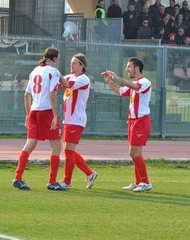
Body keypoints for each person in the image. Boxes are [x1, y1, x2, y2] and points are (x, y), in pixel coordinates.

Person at [12, 47, 67, 191]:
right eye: (58, 59)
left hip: (34, 111)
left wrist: (28, 113)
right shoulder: (53, 72)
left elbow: (26, 95)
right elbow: (53, 94)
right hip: (46, 111)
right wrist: (55, 114)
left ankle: (18, 177)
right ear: (54, 59)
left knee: (30, 144)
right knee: (56, 146)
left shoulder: (34, 71)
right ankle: (52, 181)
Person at [101, 57, 152, 192]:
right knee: (136, 153)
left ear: (137, 68)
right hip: (133, 121)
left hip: (140, 121)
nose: (126, 69)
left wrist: (117, 77)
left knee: (133, 152)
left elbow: (134, 87)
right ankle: (139, 181)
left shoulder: (144, 82)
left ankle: (146, 182)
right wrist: (109, 81)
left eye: (129, 66)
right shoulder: (134, 84)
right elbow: (120, 91)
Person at [57, 53, 98, 190]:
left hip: (76, 119)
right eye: (71, 62)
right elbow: (58, 84)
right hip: (68, 119)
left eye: (74, 63)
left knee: (68, 150)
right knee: (69, 151)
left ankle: (67, 182)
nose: (71, 65)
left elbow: (66, 84)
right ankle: (90, 174)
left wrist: (54, 71)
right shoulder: (69, 76)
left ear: (82, 65)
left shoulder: (83, 79)